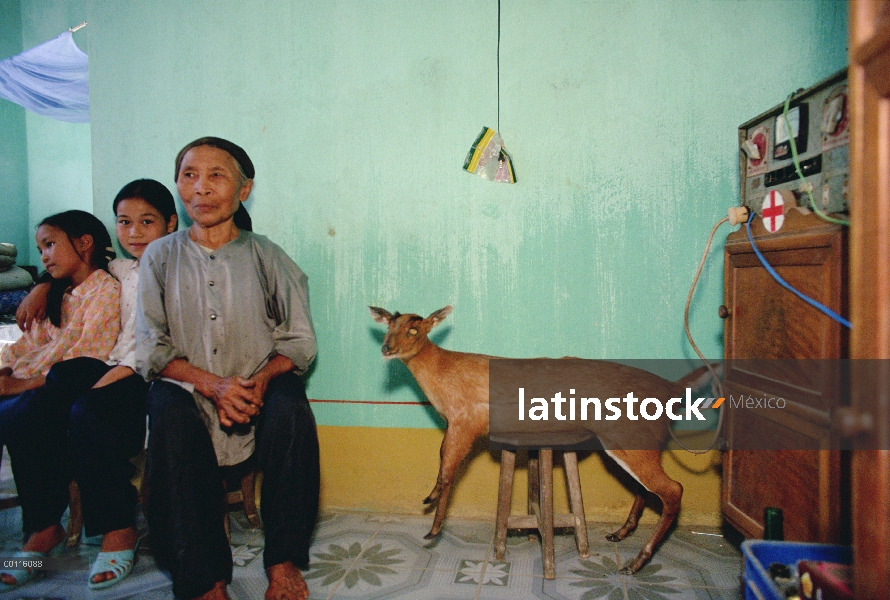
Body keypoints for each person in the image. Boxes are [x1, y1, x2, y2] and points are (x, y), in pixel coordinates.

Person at [136, 137, 319, 600]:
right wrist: (212, 386)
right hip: (187, 385)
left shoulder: (267, 255)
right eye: (189, 175)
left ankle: (283, 563)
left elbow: (299, 342)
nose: (201, 188)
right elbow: (150, 347)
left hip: (260, 383)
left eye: (216, 175)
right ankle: (204, 579)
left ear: (243, 189)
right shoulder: (160, 256)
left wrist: (257, 382)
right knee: (168, 416)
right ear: (178, 186)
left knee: (292, 411)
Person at [13, 180, 179, 590]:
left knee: (87, 410)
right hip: (109, 367)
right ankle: (44, 525)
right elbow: (79, 269)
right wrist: (42, 285)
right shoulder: (123, 269)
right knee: (30, 408)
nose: (135, 233)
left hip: (154, 373)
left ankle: (118, 527)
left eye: (147, 222)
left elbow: (157, 346)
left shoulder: (181, 269)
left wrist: (109, 380)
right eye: (125, 222)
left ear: (171, 224)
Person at [0, 210, 121, 591]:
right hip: (37, 383)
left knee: (21, 411)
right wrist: (5, 371)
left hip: (73, 385)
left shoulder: (106, 290)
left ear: (84, 243)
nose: (44, 256)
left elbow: (87, 356)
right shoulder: (57, 294)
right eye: (40, 249)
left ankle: (44, 528)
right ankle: (41, 526)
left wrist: (18, 387)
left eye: (50, 245)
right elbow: (26, 344)